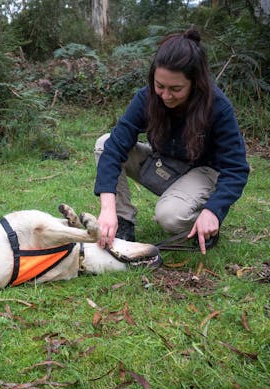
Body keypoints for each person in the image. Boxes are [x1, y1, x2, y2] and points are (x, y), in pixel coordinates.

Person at [93, 27, 250, 254]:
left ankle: (205, 224)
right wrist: (108, 209)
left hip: (202, 173)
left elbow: (236, 168)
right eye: (160, 86)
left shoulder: (217, 107)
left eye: (176, 88)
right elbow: (115, 147)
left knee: (170, 217)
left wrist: (214, 210)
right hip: (164, 166)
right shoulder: (146, 98)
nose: (166, 95)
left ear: (195, 83)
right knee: (104, 143)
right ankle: (123, 225)